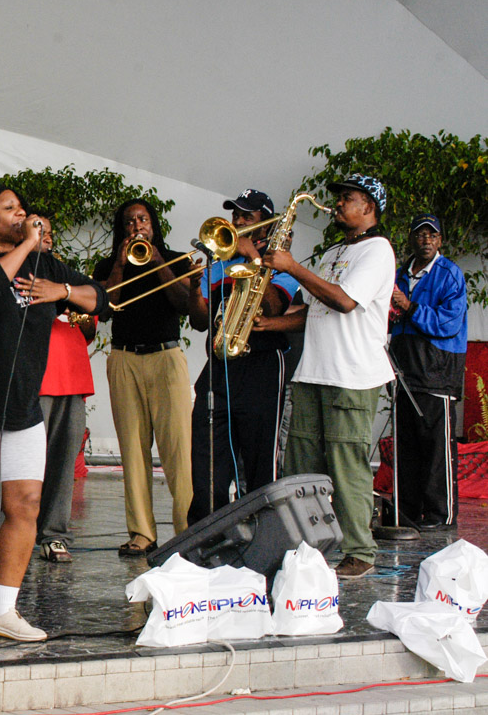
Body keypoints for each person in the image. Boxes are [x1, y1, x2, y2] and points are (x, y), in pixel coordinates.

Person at [0, 184, 105, 644]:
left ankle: (4, 611)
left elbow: (101, 299)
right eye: (8, 209)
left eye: (22, 208)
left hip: (23, 404)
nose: (21, 213)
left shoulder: (45, 267)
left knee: (25, 504)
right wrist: (29, 243)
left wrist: (61, 289)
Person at [256, 174, 394, 579]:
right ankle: (302, 545)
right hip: (314, 372)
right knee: (301, 465)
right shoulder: (334, 251)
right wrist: (271, 323)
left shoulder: (378, 250)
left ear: (369, 207)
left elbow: (345, 301)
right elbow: (313, 310)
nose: (337, 205)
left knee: (346, 464)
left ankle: (359, 552)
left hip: (351, 376)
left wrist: (292, 266)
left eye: (347, 199)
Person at [0, 216, 97, 564]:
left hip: (71, 375)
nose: (43, 236)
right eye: (37, 229)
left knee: (63, 462)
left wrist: (62, 292)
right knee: (15, 464)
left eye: (48, 232)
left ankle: (54, 535)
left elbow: (94, 315)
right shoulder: (11, 268)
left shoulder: (60, 272)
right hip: (31, 376)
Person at [185, 190, 298, 524]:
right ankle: (207, 530)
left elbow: (273, 307)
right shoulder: (218, 264)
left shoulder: (280, 262)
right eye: (235, 216)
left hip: (261, 365)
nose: (237, 222)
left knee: (260, 458)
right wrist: (194, 288)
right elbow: (198, 320)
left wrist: (254, 261)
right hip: (219, 365)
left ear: (266, 224)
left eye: (246, 217)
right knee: (207, 452)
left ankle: (262, 531)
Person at [93, 199, 192, 556]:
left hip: (166, 357)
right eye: (130, 221)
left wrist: (157, 261)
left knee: (179, 449)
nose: (137, 226)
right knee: (132, 449)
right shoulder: (108, 264)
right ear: (122, 228)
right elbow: (106, 307)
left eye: (143, 219)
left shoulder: (177, 259)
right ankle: (142, 533)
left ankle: (186, 531)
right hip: (124, 357)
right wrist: (121, 262)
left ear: (153, 224)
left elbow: (184, 303)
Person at [389, 213, 467, 530]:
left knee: (436, 450)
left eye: (432, 235)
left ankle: (440, 515)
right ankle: (407, 512)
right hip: (405, 373)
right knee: (406, 448)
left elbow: (448, 323)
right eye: (420, 234)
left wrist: (409, 307)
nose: (426, 240)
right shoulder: (399, 274)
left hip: (437, 373)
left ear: (440, 241)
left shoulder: (450, 274)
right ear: (411, 238)